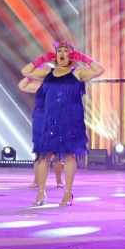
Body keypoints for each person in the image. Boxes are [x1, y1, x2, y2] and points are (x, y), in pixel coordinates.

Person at [20, 41, 105, 206]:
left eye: (67, 51)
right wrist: (43, 59)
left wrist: (82, 58)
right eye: (60, 50)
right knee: (44, 157)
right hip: (50, 120)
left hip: (71, 121)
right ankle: (41, 193)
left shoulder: (78, 73)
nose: (62, 53)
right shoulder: (48, 73)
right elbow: (26, 71)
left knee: (69, 156)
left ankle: (67, 193)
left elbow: (99, 70)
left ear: (72, 56)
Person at [17, 74, 64, 189]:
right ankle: (36, 180)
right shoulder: (38, 86)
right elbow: (22, 86)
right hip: (40, 119)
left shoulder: (58, 86)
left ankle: (59, 180)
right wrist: (30, 76)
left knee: (56, 152)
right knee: (39, 152)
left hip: (54, 119)